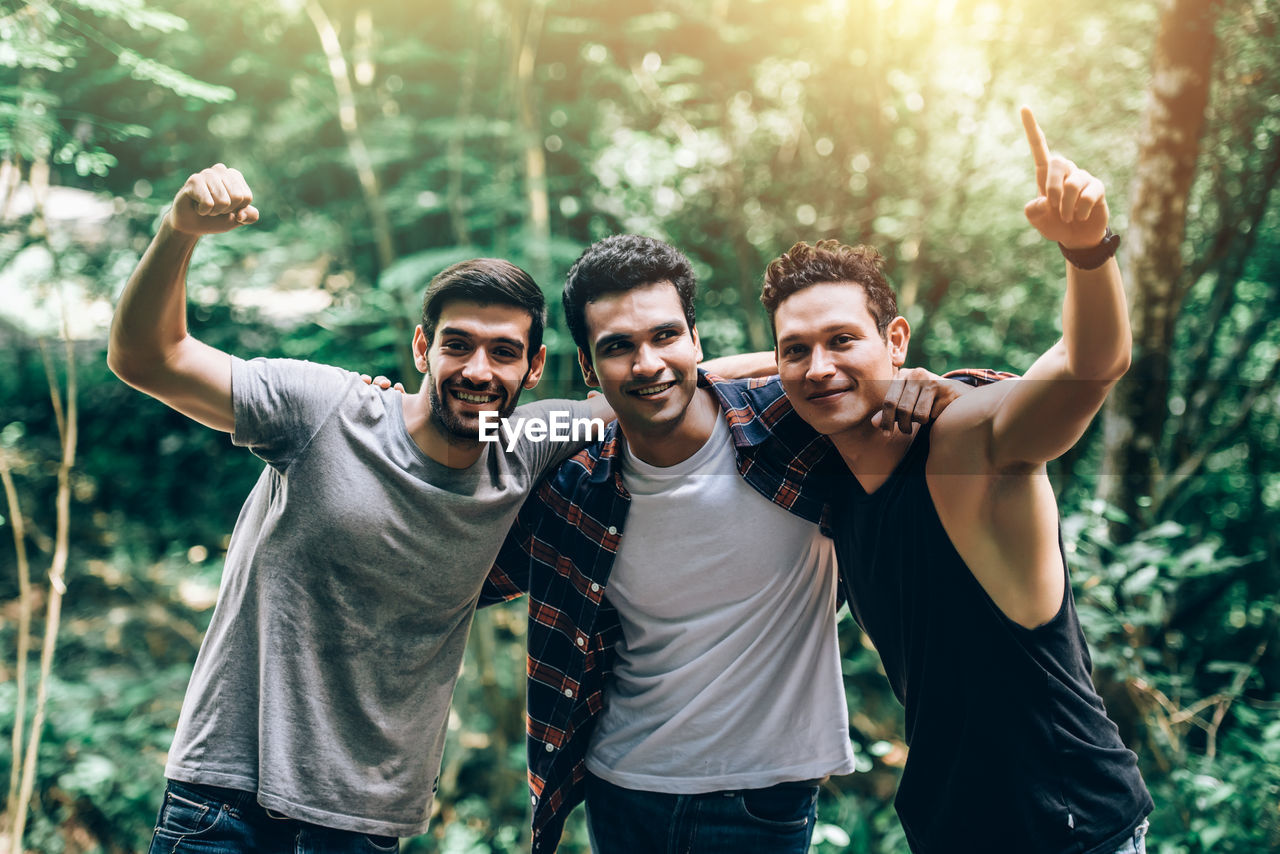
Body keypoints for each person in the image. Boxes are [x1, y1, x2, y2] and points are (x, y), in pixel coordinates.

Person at [108, 164, 604, 853]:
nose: (479, 370)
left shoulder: (523, 442)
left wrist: (796, 366)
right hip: (226, 803)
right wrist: (178, 232)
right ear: (422, 348)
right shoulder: (327, 409)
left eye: (503, 352)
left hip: (365, 825)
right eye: (457, 344)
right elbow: (146, 357)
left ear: (534, 366)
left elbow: (660, 392)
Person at [480, 234, 968, 854]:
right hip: (622, 793)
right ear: (588, 368)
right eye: (618, 348)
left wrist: (929, 385)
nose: (648, 363)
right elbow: (453, 565)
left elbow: (988, 399)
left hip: (763, 800)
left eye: (664, 337)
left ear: (695, 339)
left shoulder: (793, 425)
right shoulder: (573, 486)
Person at [760, 108, 1153, 853]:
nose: (818, 368)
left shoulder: (962, 440)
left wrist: (1088, 253)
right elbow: (711, 384)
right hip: (951, 829)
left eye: (843, 340)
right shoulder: (826, 471)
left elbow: (1088, 366)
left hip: (1067, 828)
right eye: (794, 351)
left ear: (896, 339)